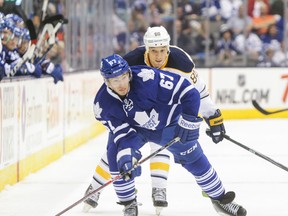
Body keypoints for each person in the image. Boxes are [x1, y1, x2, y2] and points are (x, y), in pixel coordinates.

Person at [83, 26, 226, 213]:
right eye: (153, 51)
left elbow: (197, 90)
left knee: (163, 144)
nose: (158, 57)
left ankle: (159, 188)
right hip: (136, 110)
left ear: (168, 48)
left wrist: (212, 115)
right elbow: (114, 84)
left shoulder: (181, 61)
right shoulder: (130, 61)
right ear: (146, 49)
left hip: (166, 109)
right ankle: (96, 186)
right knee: (117, 148)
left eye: (162, 51)